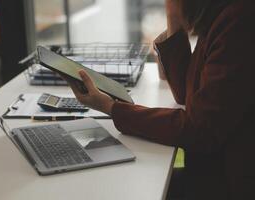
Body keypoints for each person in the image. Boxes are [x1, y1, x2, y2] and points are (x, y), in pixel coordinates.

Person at [63, 0, 255, 199]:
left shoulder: (239, 19)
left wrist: (111, 107)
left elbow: (200, 129)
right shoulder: (220, 14)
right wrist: (174, 18)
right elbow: (185, 95)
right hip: (215, 170)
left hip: (230, 181)